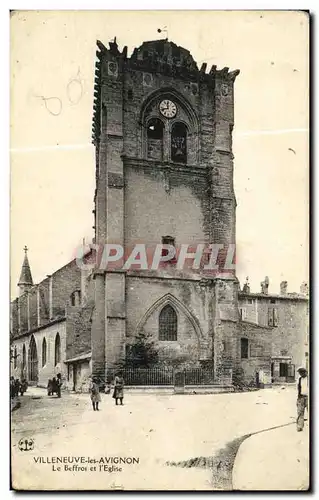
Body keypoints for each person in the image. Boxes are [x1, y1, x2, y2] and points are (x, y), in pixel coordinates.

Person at [296, 367, 308, 432]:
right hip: (301, 397)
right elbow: (298, 388)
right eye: (300, 372)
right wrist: (298, 398)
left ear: (305, 372)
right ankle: (300, 426)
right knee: (300, 412)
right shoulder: (299, 379)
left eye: (302, 372)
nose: (301, 374)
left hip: (309, 397)